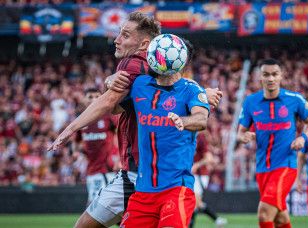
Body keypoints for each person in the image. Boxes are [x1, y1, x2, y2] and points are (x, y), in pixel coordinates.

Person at [47, 14, 222, 227]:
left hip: (154, 178)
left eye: (124, 34)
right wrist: (107, 84)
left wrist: (71, 127)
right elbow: (112, 103)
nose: (116, 39)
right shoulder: (143, 82)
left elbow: (110, 102)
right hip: (139, 181)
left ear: (145, 44)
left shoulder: (137, 68)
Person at [118, 34, 209, 228]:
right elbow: (112, 107)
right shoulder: (140, 85)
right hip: (143, 192)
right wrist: (109, 81)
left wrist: (183, 120)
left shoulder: (192, 89)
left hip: (176, 188)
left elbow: (201, 119)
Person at [237, 58, 308, 228]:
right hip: (262, 168)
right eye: (266, 75)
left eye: (274, 74)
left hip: (285, 165)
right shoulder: (250, 102)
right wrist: (243, 137)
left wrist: (303, 138)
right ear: (260, 77)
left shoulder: (295, 99)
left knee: (264, 212)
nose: (271, 79)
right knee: (280, 218)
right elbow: (240, 132)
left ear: (281, 76)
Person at [73, 88, 118, 206]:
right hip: (91, 170)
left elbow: (122, 134)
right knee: (106, 207)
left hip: (106, 169)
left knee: (94, 205)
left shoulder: (109, 117)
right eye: (90, 97)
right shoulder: (81, 119)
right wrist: (76, 153)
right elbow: (76, 141)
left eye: (97, 96)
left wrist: (119, 157)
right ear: (84, 99)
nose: (94, 99)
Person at [189, 132, 227, 228]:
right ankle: (217, 219)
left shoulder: (200, 137)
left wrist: (197, 165)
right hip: (191, 175)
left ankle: (216, 219)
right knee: (196, 203)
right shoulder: (187, 134)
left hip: (199, 175)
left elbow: (209, 158)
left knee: (194, 204)